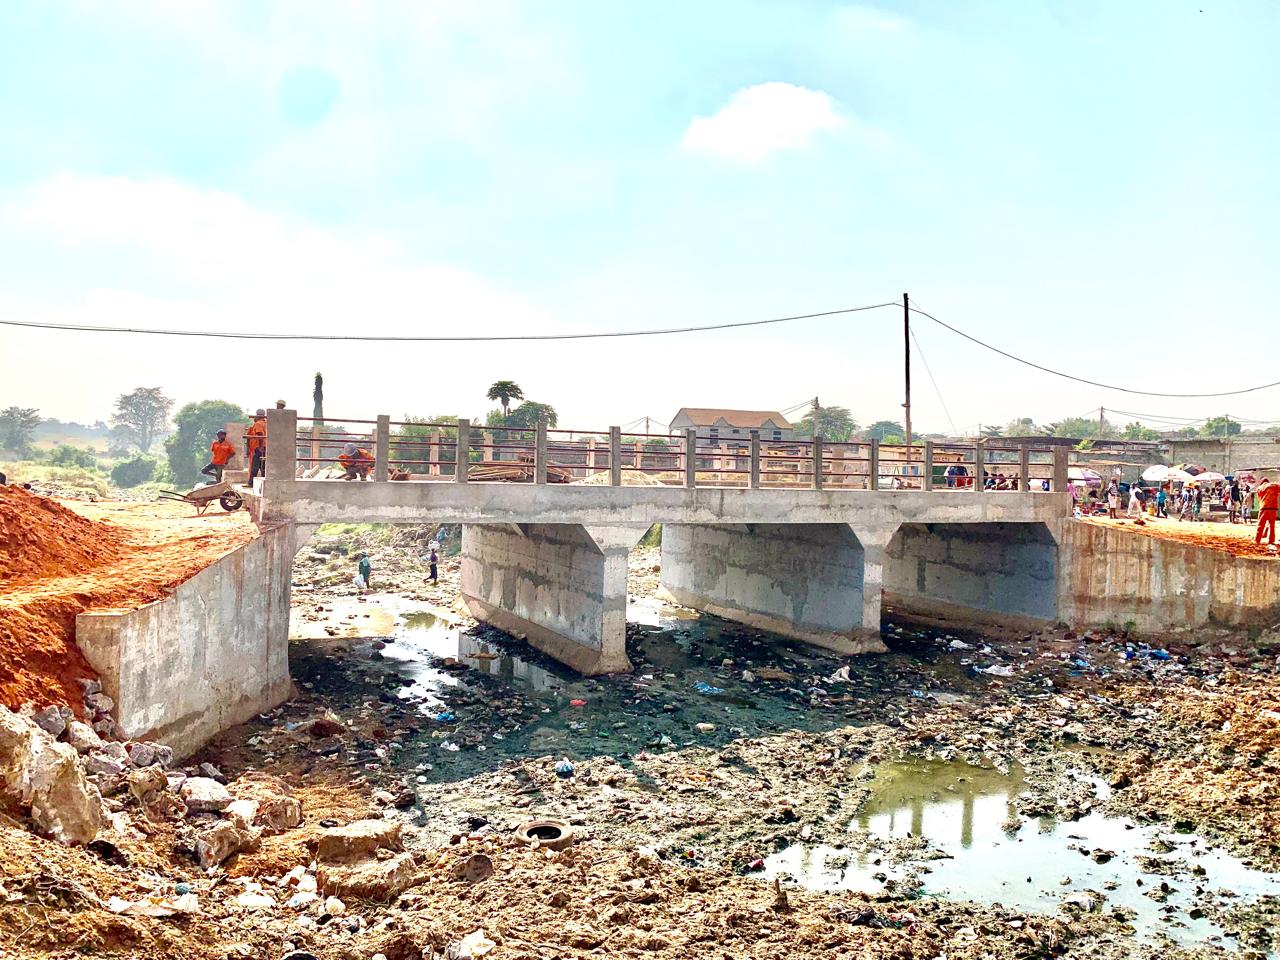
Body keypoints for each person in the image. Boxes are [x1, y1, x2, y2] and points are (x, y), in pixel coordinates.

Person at [1255, 478, 1280, 547]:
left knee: (1260, 525)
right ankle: (1271, 540)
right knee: (1272, 526)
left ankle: (1257, 540)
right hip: (1273, 508)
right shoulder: (1273, 486)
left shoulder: (1259, 488)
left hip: (1263, 508)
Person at [247, 409, 267, 482]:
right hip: (265, 446)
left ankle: (251, 482)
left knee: (255, 465)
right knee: (263, 465)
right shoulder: (266, 423)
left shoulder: (258, 424)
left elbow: (260, 434)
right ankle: (262, 481)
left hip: (260, 447)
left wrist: (260, 446)